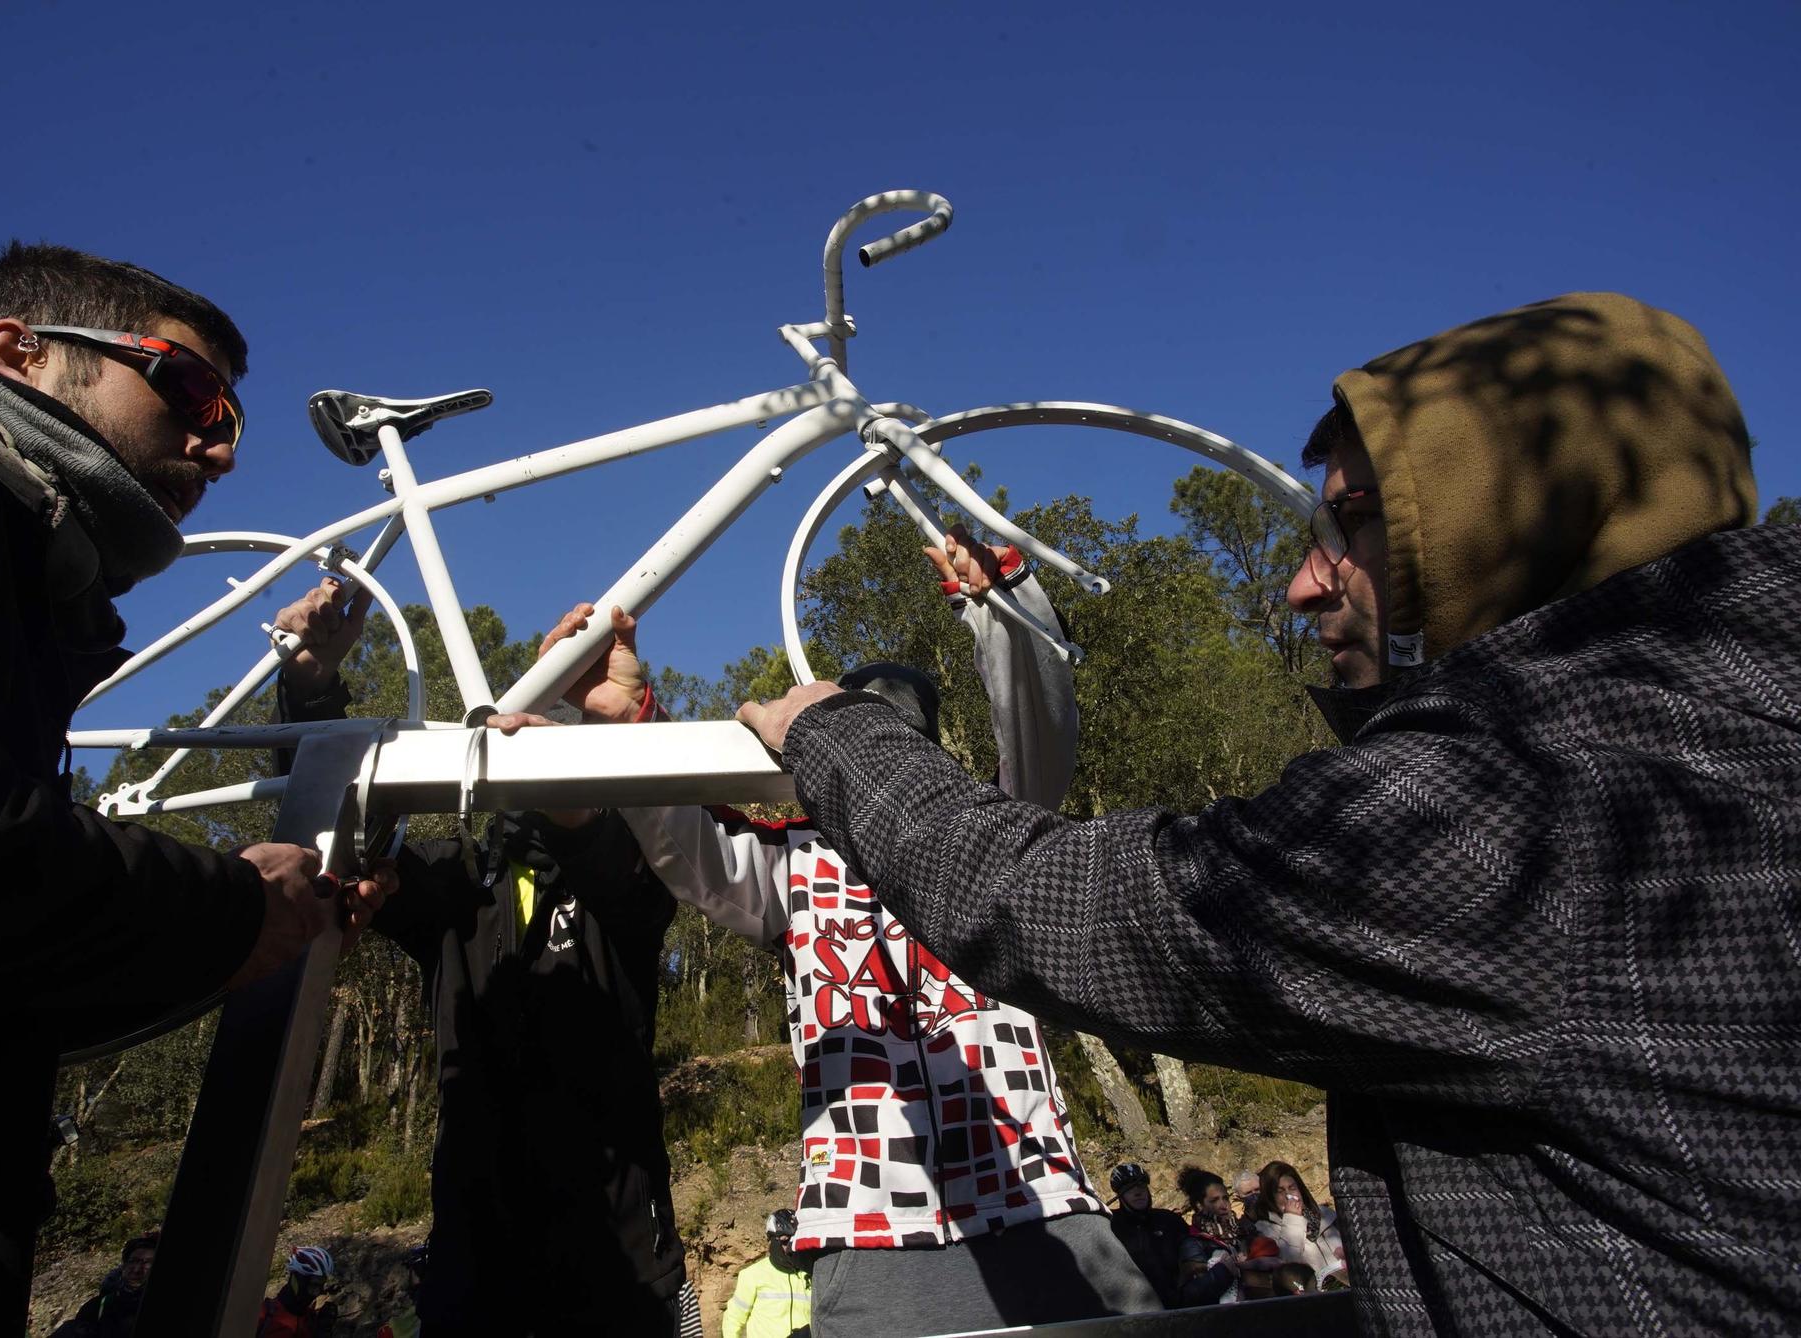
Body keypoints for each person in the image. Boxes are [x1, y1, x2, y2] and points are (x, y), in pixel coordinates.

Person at [734, 292, 1800, 1334]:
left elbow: (1067, 903)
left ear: (1502, 517)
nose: (1299, 584)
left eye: (1356, 524)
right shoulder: (1712, 735)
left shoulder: (1525, 820)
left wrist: (832, 730)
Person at [0, 243, 391, 1333]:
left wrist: (243, 928)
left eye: (233, 420)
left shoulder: (11, 578)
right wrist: (224, 908)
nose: (218, 447)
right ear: (20, 353)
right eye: (193, 391)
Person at [542, 531, 1152, 1337]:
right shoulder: (791, 862)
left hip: (1044, 1207)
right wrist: (624, 719)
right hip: (869, 1234)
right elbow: (688, 842)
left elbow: (1040, 726)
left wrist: (1002, 609)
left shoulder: (993, 829)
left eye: (902, 733)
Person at [271, 581, 691, 1336]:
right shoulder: (456, 883)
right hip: (477, 1270)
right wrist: (309, 688)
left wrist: (594, 733)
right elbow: (333, 837)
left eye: (556, 736)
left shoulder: (628, 875)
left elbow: (664, 839)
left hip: (619, 1274)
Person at [1241, 1160, 1344, 1290]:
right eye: (1280, 1191)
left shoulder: (1325, 1214)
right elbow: (1287, 1266)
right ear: (1270, 1196)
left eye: (1292, 1188)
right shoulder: (1264, 1229)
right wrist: (1292, 1219)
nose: (1288, 1195)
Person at [1105, 1163, 1187, 1308]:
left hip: (1178, 1303)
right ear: (1120, 1196)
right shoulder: (1110, 1225)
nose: (1138, 1192)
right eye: (1129, 1189)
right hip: (1134, 1308)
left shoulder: (1170, 1220)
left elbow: (1191, 1252)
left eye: (1142, 1186)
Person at [50, 1231, 158, 1338]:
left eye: (147, 1263)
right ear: (123, 1267)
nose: (137, 1269)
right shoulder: (98, 1307)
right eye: (133, 1261)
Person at [723, 1210, 812, 1338]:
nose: (791, 1246)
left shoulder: (810, 1274)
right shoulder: (752, 1275)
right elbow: (733, 1319)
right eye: (785, 1241)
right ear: (772, 1241)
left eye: (795, 1240)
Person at [1174, 1169, 1240, 1306]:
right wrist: (1223, 1271)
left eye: (1225, 1198)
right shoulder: (1193, 1243)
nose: (1224, 1206)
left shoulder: (1242, 1231)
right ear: (1199, 1205)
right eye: (1215, 1200)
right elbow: (1191, 1295)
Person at [258, 1244, 334, 1337]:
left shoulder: (310, 1320)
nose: (316, 1293)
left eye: (320, 1286)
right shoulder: (263, 1315)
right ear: (297, 1279)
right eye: (313, 1284)